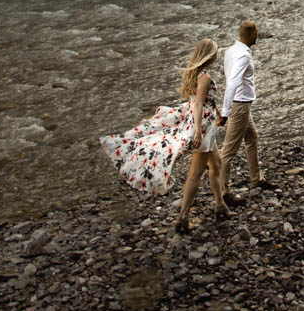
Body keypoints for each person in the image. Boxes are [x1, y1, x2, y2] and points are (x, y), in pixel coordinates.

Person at [99, 37, 230, 234]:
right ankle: (183, 218)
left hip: (207, 125)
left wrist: (218, 113)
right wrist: (196, 130)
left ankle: (220, 206)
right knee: (195, 174)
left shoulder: (198, 75)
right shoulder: (204, 78)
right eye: (215, 51)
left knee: (216, 164)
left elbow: (204, 102)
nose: (217, 54)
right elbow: (198, 105)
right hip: (203, 129)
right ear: (209, 55)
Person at [219, 20, 272, 203]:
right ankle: (223, 193)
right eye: (256, 33)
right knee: (228, 150)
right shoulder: (242, 55)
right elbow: (232, 82)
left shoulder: (231, 50)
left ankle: (256, 180)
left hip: (242, 104)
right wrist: (225, 112)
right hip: (239, 105)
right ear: (252, 34)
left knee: (252, 137)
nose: (257, 36)